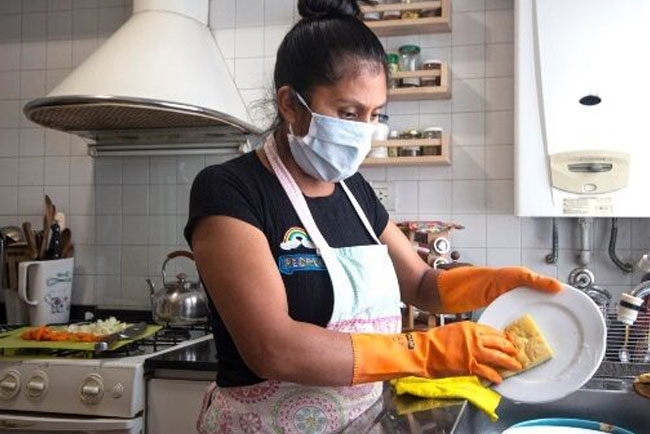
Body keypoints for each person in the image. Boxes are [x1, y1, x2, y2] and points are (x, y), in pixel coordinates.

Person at [186, 1, 562, 433]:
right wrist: (424, 352)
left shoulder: (355, 191)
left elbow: (422, 284)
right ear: (290, 104)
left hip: (363, 422)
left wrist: (493, 284)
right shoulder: (230, 190)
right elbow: (273, 348)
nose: (364, 131)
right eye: (349, 113)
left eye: (375, 114)